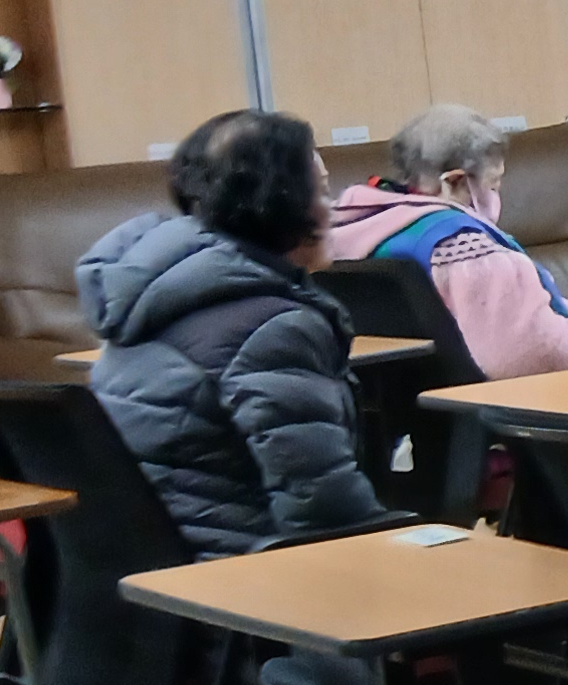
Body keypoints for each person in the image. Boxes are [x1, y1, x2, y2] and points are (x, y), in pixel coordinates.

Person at [79, 109, 388, 555]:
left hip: (149, 565)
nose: (334, 208)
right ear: (279, 205)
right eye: (322, 191)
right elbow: (320, 504)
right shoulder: (276, 326)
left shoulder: (152, 293)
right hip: (243, 568)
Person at [321, 105, 568, 377]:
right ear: (455, 181)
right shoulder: (464, 248)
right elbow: (528, 350)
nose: (497, 196)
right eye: (493, 184)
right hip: (504, 404)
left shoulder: (356, 226)